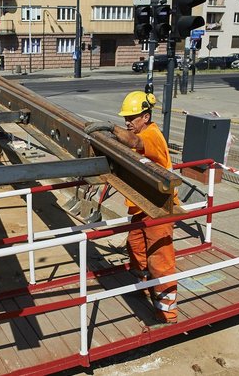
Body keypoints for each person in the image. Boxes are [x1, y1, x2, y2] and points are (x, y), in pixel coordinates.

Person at [85, 91, 178, 325]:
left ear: (146, 116)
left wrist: (113, 130)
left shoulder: (152, 135)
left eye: (132, 117)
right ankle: (144, 288)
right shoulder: (140, 130)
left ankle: (167, 314)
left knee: (160, 259)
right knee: (135, 246)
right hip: (141, 206)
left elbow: (136, 142)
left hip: (159, 207)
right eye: (126, 118)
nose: (128, 122)